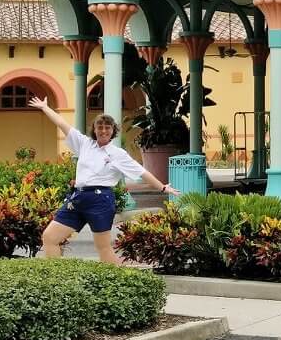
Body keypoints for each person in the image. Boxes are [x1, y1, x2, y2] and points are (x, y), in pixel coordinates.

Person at [28, 96, 176, 264]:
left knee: (103, 247)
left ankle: (119, 283)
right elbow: (62, 124)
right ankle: (56, 279)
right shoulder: (84, 143)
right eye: (100, 127)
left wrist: (162, 187)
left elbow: (142, 172)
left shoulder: (117, 154)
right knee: (50, 237)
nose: (103, 131)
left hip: (101, 199)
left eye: (107, 127)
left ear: (113, 131)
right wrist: (45, 108)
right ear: (94, 129)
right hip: (78, 198)